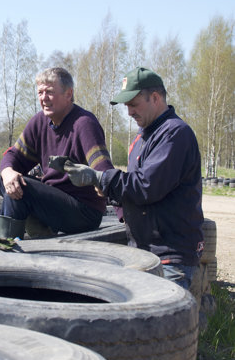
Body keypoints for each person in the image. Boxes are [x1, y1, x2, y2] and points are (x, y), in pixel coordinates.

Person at [52, 67, 204, 289]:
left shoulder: (174, 134)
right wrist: (107, 189)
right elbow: (134, 190)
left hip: (170, 255)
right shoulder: (142, 139)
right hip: (144, 251)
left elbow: (145, 186)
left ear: (155, 98)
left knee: (162, 312)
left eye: (133, 104)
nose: (129, 112)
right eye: (126, 106)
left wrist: (101, 179)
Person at [0, 67, 115, 239]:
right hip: (54, 203)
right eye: (40, 92)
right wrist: (8, 172)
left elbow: (104, 170)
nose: (44, 98)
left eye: (50, 92)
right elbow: (13, 156)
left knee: (22, 189)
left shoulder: (84, 124)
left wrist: (122, 212)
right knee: (6, 181)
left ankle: (6, 244)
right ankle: (38, 231)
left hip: (84, 211)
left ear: (68, 94)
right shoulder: (39, 122)